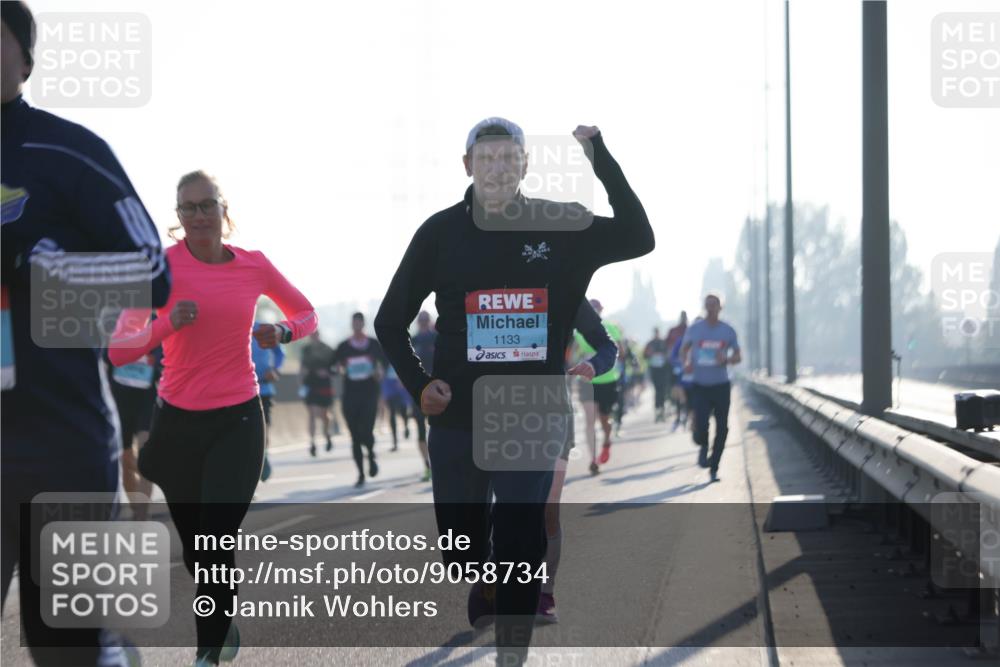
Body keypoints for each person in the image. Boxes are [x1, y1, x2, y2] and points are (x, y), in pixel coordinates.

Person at [375, 117, 654, 660]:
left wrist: (598, 157)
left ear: (525, 165)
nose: (498, 168)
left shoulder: (560, 226)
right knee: (463, 549)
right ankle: (483, 577)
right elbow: (390, 321)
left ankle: (513, 647)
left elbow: (639, 236)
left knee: (522, 533)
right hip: (457, 416)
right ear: (468, 166)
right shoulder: (439, 232)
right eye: (487, 158)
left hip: (531, 412)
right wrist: (420, 384)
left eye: (509, 158)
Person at [2, 3, 171, 663]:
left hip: (60, 442)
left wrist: (43, 265)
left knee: (64, 643)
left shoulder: (67, 149)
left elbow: (153, 272)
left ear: (24, 56)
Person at [110, 170, 317, 666]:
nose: (199, 216)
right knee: (197, 552)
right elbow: (119, 349)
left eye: (207, 205)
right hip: (179, 423)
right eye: (188, 208)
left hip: (238, 420)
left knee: (217, 539)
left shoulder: (254, 266)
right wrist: (165, 323)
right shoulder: (160, 268)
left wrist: (283, 332)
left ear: (224, 211)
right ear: (178, 218)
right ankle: (221, 625)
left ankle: (207, 650)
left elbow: (305, 313)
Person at [539, 299, 618, 624]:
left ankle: (544, 591)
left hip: (554, 409)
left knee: (549, 507)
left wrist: (596, 364)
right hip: (499, 411)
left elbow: (607, 346)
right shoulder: (489, 280)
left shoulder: (564, 284)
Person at [680, 295, 741, 483]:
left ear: (720, 308)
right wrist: (686, 363)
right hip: (701, 385)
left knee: (722, 428)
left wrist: (728, 359)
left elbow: (738, 357)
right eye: (708, 305)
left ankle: (714, 467)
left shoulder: (728, 330)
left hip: (721, 385)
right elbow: (684, 350)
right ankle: (703, 446)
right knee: (701, 424)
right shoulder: (695, 329)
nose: (711, 308)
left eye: (714, 305)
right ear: (705, 307)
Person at [108, 342, 162, 520]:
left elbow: (166, 362)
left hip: (147, 399)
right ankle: (135, 506)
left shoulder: (157, 323)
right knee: (125, 458)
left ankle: (141, 513)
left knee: (146, 454)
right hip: (119, 398)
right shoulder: (114, 323)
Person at [334, 312, 387, 488]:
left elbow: (386, 362)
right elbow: (332, 366)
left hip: (370, 393)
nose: (357, 325)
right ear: (352, 324)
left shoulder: (373, 345)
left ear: (363, 324)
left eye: (359, 322)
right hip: (350, 395)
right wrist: (339, 369)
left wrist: (380, 372)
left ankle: (371, 455)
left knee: (367, 431)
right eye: (354, 322)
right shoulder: (343, 346)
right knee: (355, 436)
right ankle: (361, 474)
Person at [574, 298, 624, 473]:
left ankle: (607, 440)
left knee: (604, 419)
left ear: (601, 310)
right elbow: (572, 353)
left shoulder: (610, 328)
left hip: (608, 380)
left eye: (596, 308)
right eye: (592, 308)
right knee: (589, 420)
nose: (594, 311)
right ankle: (593, 459)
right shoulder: (578, 331)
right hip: (586, 381)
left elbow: (618, 350)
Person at [252, 319, 286, 481]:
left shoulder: (263, 328)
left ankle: (263, 456)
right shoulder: (229, 326)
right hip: (240, 390)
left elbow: (279, 353)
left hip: (264, 389)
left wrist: (274, 369)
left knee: (264, 428)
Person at [410, 311, 436, 481]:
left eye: (426, 320)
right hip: (419, 390)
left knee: (437, 429)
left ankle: (438, 464)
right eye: (421, 321)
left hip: (439, 388)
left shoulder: (437, 337)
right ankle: (427, 466)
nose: (424, 323)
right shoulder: (414, 340)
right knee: (420, 430)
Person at [300, 331, 336, 457]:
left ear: (319, 335)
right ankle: (312, 442)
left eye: (315, 334)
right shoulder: (306, 349)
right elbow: (303, 366)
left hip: (324, 385)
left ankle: (327, 435)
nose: (313, 337)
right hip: (311, 385)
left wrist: (328, 372)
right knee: (312, 413)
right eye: (311, 335)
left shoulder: (327, 349)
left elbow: (335, 367)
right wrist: (301, 381)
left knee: (324, 415)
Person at [664, 311, 688, 425]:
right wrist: (674, 360)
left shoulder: (691, 330)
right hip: (676, 368)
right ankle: (678, 415)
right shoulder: (673, 331)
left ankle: (686, 414)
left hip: (690, 370)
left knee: (687, 393)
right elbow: (668, 349)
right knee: (677, 392)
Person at [381, 363, 412, 452]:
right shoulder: (382, 352)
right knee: (392, 412)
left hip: (401, 382)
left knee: (403, 411)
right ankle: (395, 442)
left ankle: (406, 426)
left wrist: (404, 377)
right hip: (389, 384)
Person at [644, 327, 671, 422]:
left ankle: (662, 410)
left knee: (662, 390)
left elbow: (668, 354)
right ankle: (657, 410)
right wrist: (649, 354)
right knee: (656, 390)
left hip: (663, 370)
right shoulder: (650, 343)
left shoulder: (663, 342)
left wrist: (663, 355)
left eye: (657, 332)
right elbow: (645, 355)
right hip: (654, 370)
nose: (656, 334)